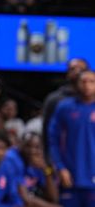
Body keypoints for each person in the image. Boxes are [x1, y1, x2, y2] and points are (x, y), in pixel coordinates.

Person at [47, 70, 95, 207]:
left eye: (92, 82)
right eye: (83, 81)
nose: (87, 85)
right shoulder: (65, 107)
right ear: (77, 84)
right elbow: (53, 140)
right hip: (70, 176)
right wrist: (60, 167)